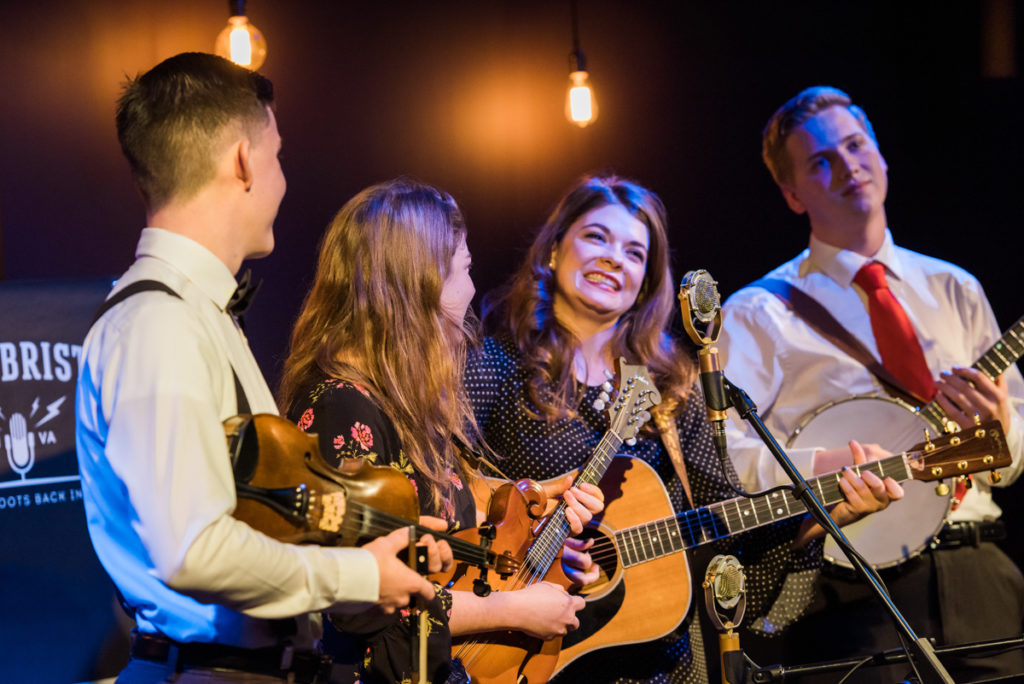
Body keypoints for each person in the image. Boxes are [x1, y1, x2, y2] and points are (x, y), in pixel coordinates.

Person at [75, 53, 449, 684]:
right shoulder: (160, 325)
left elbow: (240, 527)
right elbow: (192, 550)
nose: (281, 179)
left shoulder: (197, 314)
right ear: (244, 161)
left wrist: (377, 555)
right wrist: (357, 575)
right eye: (277, 157)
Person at [464, 173, 901, 683]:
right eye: (596, 237)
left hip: (657, 667)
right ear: (555, 250)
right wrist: (533, 533)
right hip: (521, 652)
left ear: (647, 282)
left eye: (634, 252)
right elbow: (447, 488)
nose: (613, 259)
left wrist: (824, 515)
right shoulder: (493, 365)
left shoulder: (671, 389)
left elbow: (722, 527)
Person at [719, 85, 1024, 680]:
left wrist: (1001, 429)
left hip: (980, 568)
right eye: (820, 161)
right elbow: (725, 454)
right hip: (851, 585)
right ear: (791, 194)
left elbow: (1011, 452)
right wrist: (821, 467)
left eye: (857, 145)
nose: (848, 166)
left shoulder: (954, 288)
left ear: (881, 155)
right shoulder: (756, 311)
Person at [277, 178, 605, 683]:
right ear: (421, 283)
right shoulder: (345, 410)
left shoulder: (396, 400)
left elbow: (443, 541)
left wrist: (536, 505)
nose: (472, 287)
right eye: (465, 268)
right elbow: (360, 600)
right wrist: (515, 609)